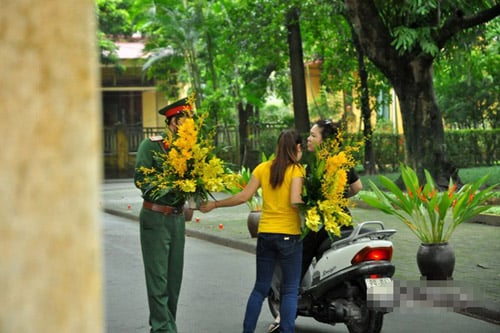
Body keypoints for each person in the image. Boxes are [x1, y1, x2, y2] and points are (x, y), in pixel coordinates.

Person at [199, 129, 305, 333]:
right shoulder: (297, 170)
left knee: (260, 288)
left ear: (278, 147)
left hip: (265, 234)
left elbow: (243, 196)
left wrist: (215, 204)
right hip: (289, 236)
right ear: (297, 148)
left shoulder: (263, 168)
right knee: (290, 290)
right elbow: (295, 201)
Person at [268, 119, 363, 333]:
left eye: (313, 135)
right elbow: (357, 187)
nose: (309, 138)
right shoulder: (342, 160)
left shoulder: (316, 165)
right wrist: (338, 197)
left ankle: (284, 314)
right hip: (344, 221)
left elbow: (301, 197)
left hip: (321, 223)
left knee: (297, 260)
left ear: (324, 140)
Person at [134, 97, 193, 333]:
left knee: (173, 281)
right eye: (187, 121)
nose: (191, 126)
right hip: (155, 217)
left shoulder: (188, 150)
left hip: (177, 219)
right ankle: (163, 329)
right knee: (158, 280)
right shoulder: (151, 145)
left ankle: (166, 326)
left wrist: (191, 194)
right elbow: (142, 180)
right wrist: (171, 187)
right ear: (175, 122)